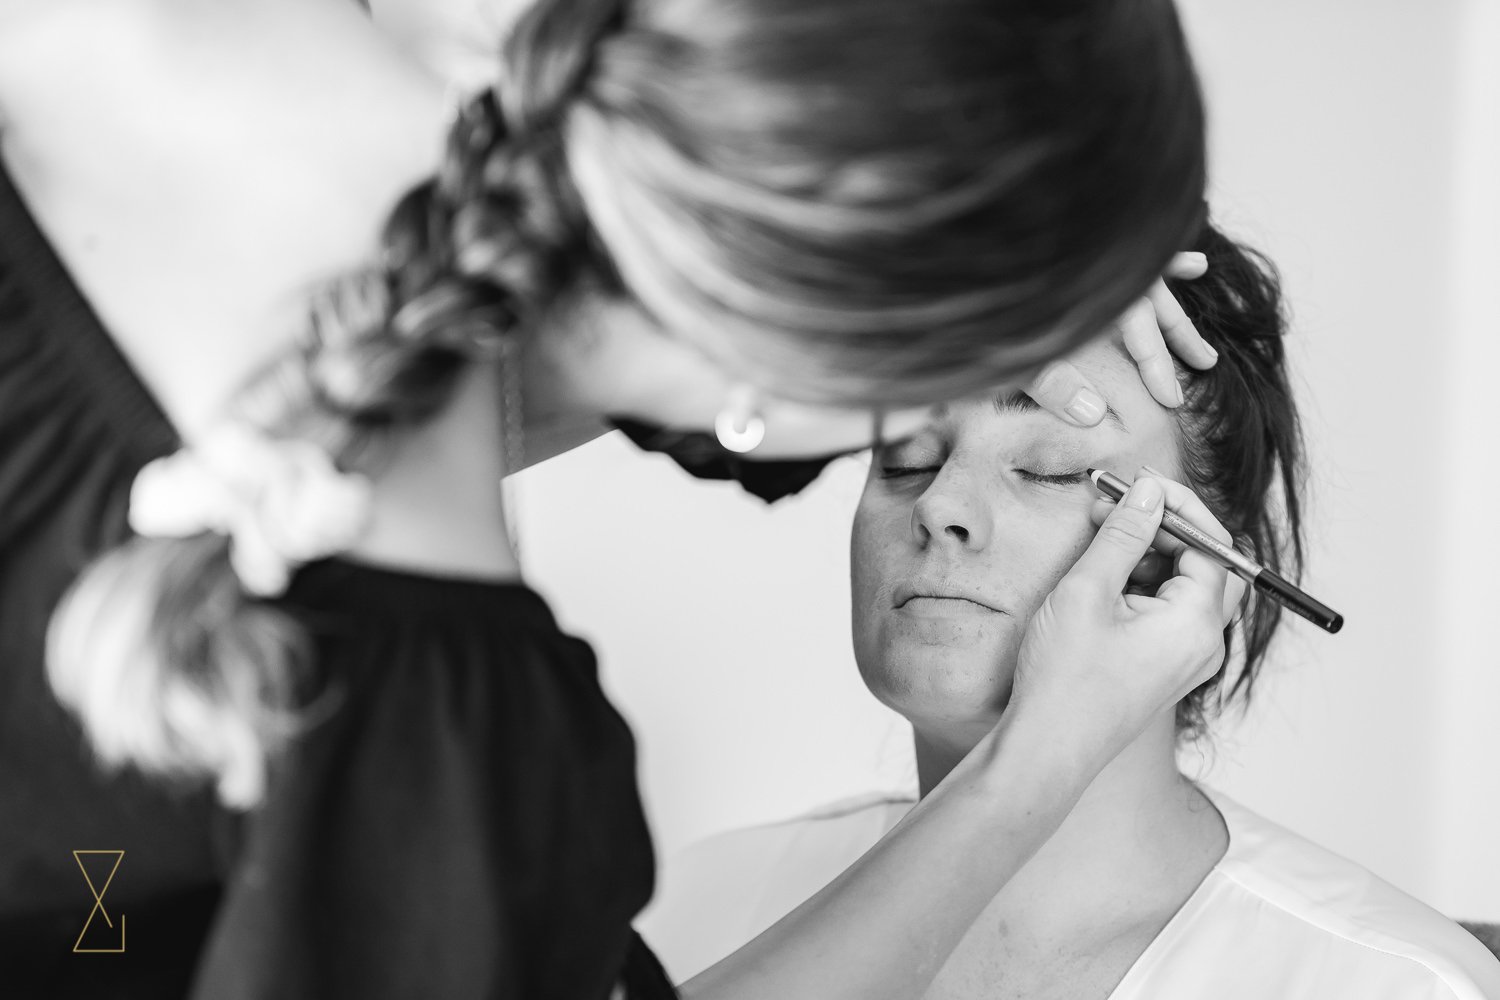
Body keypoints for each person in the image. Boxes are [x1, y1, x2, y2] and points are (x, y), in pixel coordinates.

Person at [3, 0, 1233, 996]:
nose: (944, 500)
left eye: (1056, 462)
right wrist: (1029, 769)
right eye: (909, 442)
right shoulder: (420, 702)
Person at [639, 225, 1500, 999]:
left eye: (1050, 468)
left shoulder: (1391, 983)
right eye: (904, 460)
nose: (940, 506)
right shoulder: (689, 905)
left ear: (1205, 560)